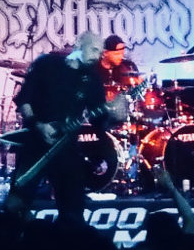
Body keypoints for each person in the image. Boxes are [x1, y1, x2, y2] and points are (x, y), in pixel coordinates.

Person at [9, 31, 128, 225]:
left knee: (73, 210)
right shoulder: (47, 64)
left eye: (100, 52)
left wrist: (115, 115)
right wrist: (38, 125)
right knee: (16, 204)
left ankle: (70, 238)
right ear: (79, 44)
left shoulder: (92, 79)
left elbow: (99, 122)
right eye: (94, 49)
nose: (97, 56)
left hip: (67, 147)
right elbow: (24, 101)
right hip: (34, 144)